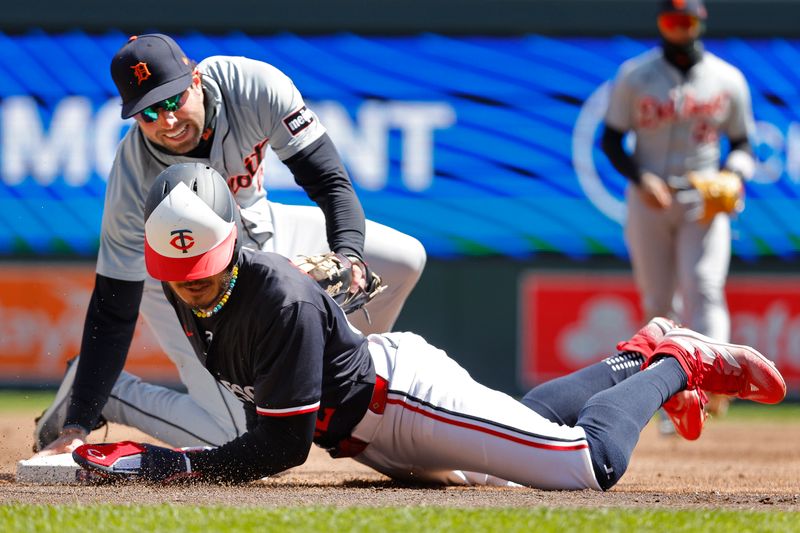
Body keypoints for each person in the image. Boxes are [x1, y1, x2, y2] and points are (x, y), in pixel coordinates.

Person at [71, 163, 785, 488]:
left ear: (233, 242)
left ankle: (674, 363)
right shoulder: (195, 286)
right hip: (372, 433)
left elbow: (281, 447)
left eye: (208, 274)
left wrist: (172, 464)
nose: (197, 291)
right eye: (181, 282)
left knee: (583, 464)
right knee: (516, 429)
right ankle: (634, 358)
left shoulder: (278, 297)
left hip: (405, 401)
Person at [33, 33, 426, 457]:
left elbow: (329, 181)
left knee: (404, 259)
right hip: (182, 277)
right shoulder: (133, 178)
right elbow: (114, 307)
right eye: (148, 113)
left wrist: (348, 256)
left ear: (196, 78)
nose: (166, 121)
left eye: (172, 100)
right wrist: (80, 420)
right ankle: (117, 396)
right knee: (234, 435)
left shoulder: (254, 87)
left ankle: (334, 380)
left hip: (261, 234)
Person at [600, 0, 756, 416]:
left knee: (704, 287)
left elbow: (743, 143)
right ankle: (671, 397)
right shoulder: (636, 75)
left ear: (699, 23)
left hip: (702, 201)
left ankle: (715, 385)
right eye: (672, 20)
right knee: (657, 300)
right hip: (650, 197)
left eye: (686, 20)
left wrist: (733, 174)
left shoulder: (727, 79)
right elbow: (611, 140)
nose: (679, 29)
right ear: (661, 24)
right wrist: (639, 176)